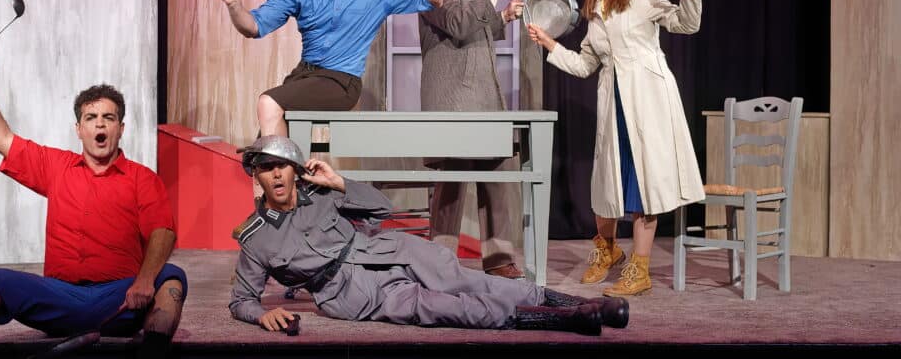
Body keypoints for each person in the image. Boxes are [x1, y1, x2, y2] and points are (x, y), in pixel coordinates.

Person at [228, 135, 630, 335]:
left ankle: (582, 304)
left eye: (282, 166)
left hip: (390, 250)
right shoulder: (256, 237)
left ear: (295, 170)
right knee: (448, 308)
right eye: (266, 168)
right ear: (256, 175)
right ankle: (567, 320)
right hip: (353, 293)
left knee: (471, 281)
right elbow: (241, 300)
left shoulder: (321, 192)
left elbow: (382, 209)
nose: (276, 174)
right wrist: (262, 314)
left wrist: (339, 183)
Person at [0, 44, 187, 359]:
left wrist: (143, 281)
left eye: (108, 118)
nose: (100, 124)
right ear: (79, 129)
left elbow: (163, 231)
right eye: (91, 118)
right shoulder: (56, 167)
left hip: (120, 298)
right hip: (59, 298)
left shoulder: (142, 178)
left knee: (172, 277)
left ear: (121, 128)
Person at [526, 0, 705, 297]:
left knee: (644, 183)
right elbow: (584, 65)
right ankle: (608, 250)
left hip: (648, 98)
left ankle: (640, 269)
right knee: (606, 182)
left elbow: (686, 24)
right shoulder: (595, 7)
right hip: (614, 103)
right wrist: (550, 43)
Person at [217, 0, 444, 138]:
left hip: (342, 81)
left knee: (268, 102)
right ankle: (285, 164)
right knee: (268, 142)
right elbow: (254, 27)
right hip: (304, 76)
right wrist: (234, 4)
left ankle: (279, 161)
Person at [418, 0, 526, 279]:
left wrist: (504, 16)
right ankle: (440, 260)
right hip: (453, 100)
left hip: (484, 97)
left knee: (497, 175)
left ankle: (499, 258)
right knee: (451, 182)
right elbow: (460, 25)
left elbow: (480, 26)